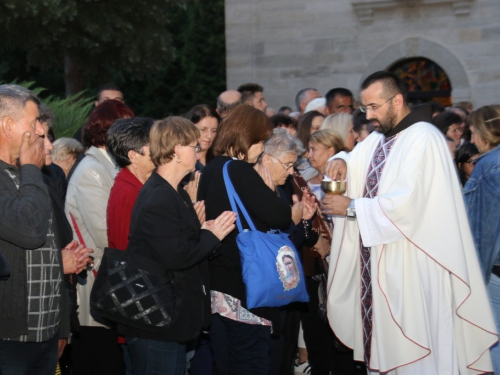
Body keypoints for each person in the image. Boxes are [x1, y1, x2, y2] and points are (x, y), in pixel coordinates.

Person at [322, 71, 497, 374]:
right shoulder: (378, 140)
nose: (370, 116)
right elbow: (353, 162)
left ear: (398, 100)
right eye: (365, 109)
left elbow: (409, 204)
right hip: (383, 267)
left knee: (419, 351)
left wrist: (351, 207)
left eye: (374, 107)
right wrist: (339, 160)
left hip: (417, 267)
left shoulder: (424, 137)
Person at [118, 116, 236, 374]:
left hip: (171, 317)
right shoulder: (159, 197)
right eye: (194, 145)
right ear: (176, 150)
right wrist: (212, 234)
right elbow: (177, 256)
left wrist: (203, 231)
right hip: (157, 320)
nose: (199, 150)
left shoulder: (174, 191)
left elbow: (179, 246)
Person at [198, 104, 290, 374]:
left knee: (224, 360)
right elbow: (279, 216)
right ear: (246, 138)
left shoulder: (212, 168)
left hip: (218, 282)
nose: (262, 148)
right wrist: (272, 190)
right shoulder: (239, 170)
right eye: (260, 141)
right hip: (246, 283)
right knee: (251, 360)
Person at [0, 84, 81, 375]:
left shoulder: (33, 176)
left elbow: (51, 255)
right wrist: (32, 169)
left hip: (45, 335)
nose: (38, 131)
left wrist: (60, 326)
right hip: (8, 338)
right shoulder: (30, 174)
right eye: (33, 122)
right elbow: (29, 231)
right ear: (8, 125)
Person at [65, 100, 134, 375]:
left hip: (106, 282)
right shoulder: (92, 170)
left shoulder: (107, 166)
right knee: (98, 361)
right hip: (96, 286)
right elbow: (106, 234)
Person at [463, 105, 500, 374]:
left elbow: (483, 233)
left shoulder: (487, 167)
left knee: (493, 342)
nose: (471, 139)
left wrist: (474, 279)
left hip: (494, 272)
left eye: (474, 132)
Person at [295, 111, 325, 181]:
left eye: (324, 128)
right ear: (305, 130)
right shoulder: (293, 160)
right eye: (317, 128)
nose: (323, 132)